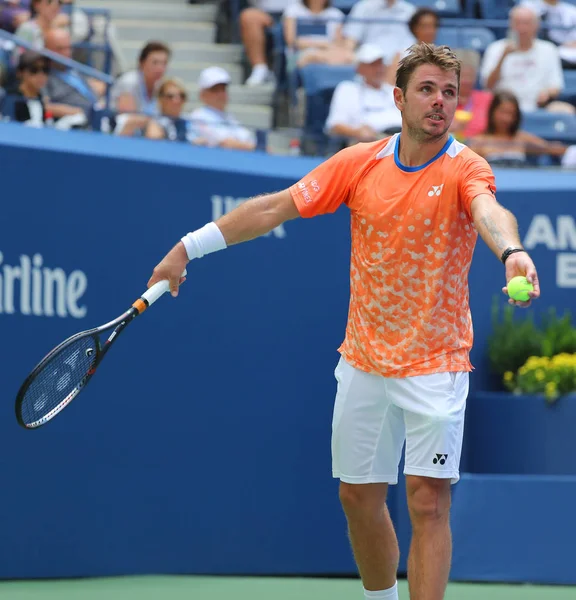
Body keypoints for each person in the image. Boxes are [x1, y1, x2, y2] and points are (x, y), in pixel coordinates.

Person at [147, 43, 540, 600]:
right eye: (427, 90)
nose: (439, 103)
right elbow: (275, 207)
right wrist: (188, 247)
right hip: (364, 359)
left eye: (449, 93)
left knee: (428, 500)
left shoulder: (466, 166)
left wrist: (512, 253)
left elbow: (489, 211)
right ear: (399, 97)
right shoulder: (360, 163)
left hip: (436, 362)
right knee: (358, 498)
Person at [480, 5, 573, 113]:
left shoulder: (549, 49)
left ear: (536, 26)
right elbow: (487, 86)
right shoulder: (496, 48)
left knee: (567, 111)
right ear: (510, 25)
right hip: (503, 108)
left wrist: (547, 93)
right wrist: (503, 56)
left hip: (538, 107)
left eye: (526, 23)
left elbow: (556, 86)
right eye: (517, 23)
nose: (522, 28)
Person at [325, 44, 402, 143]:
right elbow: (334, 125)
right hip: (369, 143)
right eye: (372, 65)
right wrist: (356, 132)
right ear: (359, 69)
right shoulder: (348, 89)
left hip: (399, 139)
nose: (379, 69)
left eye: (380, 64)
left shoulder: (393, 90)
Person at [469, 90, 567, 166]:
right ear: (492, 112)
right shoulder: (479, 141)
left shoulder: (522, 139)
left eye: (511, 114)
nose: (506, 118)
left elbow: (550, 148)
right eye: (502, 112)